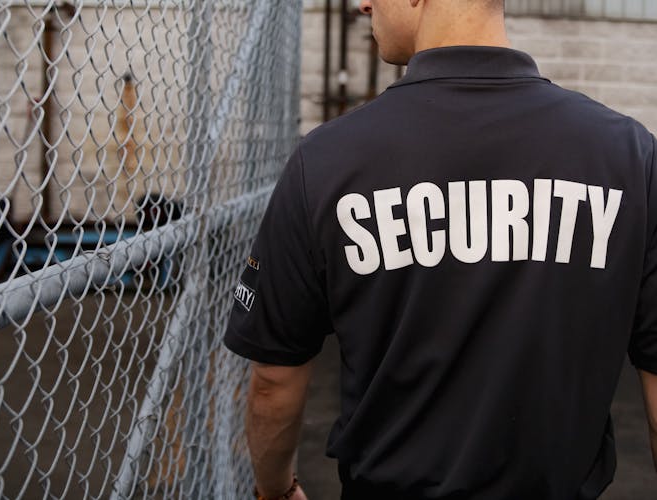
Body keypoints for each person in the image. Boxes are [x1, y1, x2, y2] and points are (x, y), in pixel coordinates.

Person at [223, 0, 657, 498]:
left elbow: (274, 380)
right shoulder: (629, 155)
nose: (362, 3)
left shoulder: (327, 159)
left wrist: (275, 489)